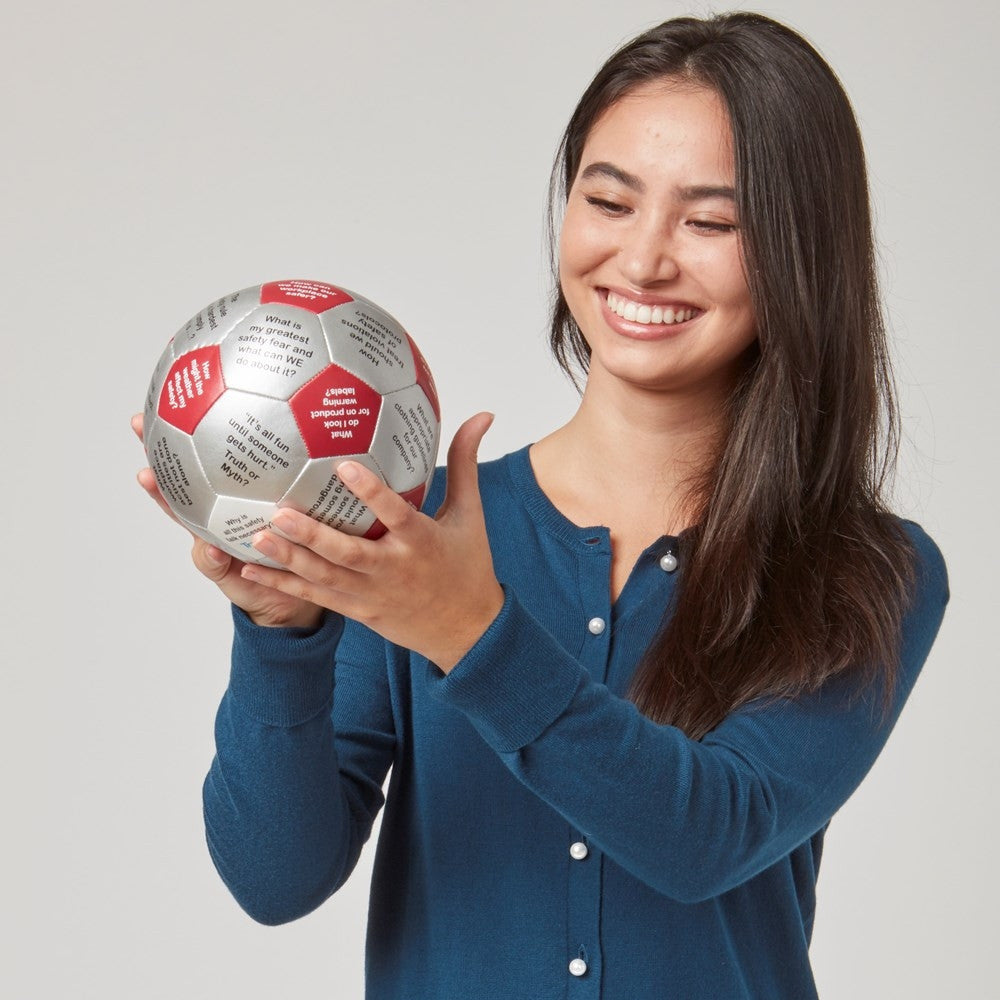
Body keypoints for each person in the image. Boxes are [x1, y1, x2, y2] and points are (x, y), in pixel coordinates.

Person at [134, 11, 948, 999]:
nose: (643, 261)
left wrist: (468, 629)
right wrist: (281, 629)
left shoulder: (869, 570)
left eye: (710, 221)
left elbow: (705, 835)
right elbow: (275, 877)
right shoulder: (410, 535)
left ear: (797, 252)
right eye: (609, 201)